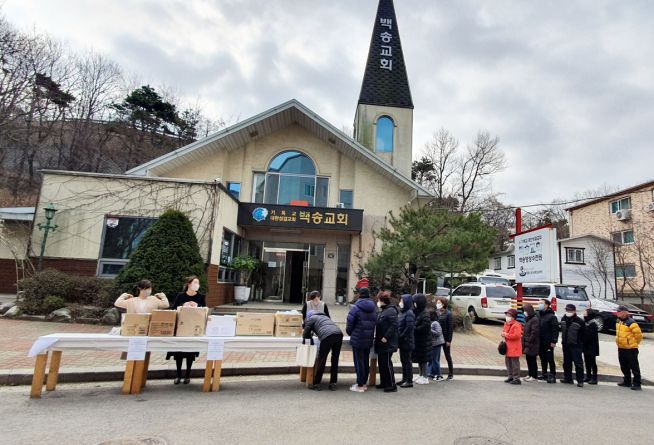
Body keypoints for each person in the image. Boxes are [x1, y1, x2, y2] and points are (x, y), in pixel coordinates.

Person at [165, 276, 205, 385]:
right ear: (189, 284)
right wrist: (183, 305)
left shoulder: (200, 297)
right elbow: (173, 309)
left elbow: (205, 311)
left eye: (198, 283)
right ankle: (178, 375)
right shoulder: (180, 296)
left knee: (190, 353)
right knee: (179, 352)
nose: (197, 285)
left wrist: (198, 305)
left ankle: (187, 374)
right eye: (195, 282)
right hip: (181, 327)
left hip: (193, 328)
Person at [345, 287, 377, 393]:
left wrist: (351, 333)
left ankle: (360, 385)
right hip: (368, 339)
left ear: (360, 294)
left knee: (358, 362)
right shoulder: (373, 308)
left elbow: (350, 324)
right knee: (365, 361)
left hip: (357, 338)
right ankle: (363, 382)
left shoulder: (355, 308)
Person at [303, 309, 343, 391]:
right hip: (338, 334)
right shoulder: (325, 317)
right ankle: (333, 383)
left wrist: (310, 336)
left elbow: (305, 333)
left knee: (322, 360)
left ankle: (317, 383)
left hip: (327, 336)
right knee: (335, 360)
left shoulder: (312, 318)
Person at [374, 291, 399, 393]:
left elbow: (394, 325)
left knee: (387, 363)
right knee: (382, 363)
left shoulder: (391, 311)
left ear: (382, 301)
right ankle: (384, 382)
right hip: (381, 342)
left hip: (388, 342)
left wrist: (386, 336)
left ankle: (392, 385)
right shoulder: (383, 311)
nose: (377, 302)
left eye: (379, 300)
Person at [616, 305, 643, 391]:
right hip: (621, 347)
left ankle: (637, 383)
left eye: (619, 312)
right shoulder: (619, 321)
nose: (618, 313)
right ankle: (627, 381)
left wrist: (633, 344)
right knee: (623, 365)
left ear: (625, 313)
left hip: (631, 348)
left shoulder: (632, 323)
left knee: (634, 366)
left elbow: (639, 336)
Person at [560, 304, 585, 387]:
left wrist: (580, 343)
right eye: (567, 310)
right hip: (565, 344)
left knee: (578, 363)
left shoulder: (579, 321)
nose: (568, 312)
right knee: (566, 362)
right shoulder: (563, 319)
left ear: (574, 311)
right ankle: (568, 378)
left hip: (576, 345)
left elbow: (584, 334)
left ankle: (580, 380)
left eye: (570, 310)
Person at [411, 293, 433, 385]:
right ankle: (420, 374)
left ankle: (425, 376)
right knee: (420, 359)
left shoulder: (425, 313)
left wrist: (415, 329)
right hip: (419, 340)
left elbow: (425, 326)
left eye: (415, 302)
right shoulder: (418, 312)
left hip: (424, 341)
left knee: (423, 360)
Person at [537, 299, 559, 384]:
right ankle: (544, 373)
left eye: (541, 303)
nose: (539, 305)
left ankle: (553, 375)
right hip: (540, 341)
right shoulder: (539, 314)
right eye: (539, 303)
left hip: (548, 341)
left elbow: (555, 330)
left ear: (546, 305)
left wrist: (554, 341)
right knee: (542, 358)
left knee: (550, 358)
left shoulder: (552, 316)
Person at [397, 294, 415, 388]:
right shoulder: (403, 312)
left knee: (407, 361)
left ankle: (409, 380)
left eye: (402, 301)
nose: (400, 303)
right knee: (403, 360)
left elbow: (409, 327)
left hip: (407, 341)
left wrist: (402, 335)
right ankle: (404, 378)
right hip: (402, 341)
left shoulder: (409, 313)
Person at [502, 308, 523, 385]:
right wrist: (503, 334)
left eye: (509, 315)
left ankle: (516, 378)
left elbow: (517, 336)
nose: (507, 316)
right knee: (508, 362)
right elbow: (504, 332)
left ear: (513, 317)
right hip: (508, 347)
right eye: (507, 315)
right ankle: (510, 376)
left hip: (515, 347)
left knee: (515, 364)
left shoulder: (516, 325)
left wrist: (506, 335)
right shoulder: (506, 324)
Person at [436, 297, 455, 380]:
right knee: (436, 356)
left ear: (443, 304)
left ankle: (451, 373)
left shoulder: (448, 314)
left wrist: (449, 340)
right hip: (437, 337)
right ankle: (436, 373)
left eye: (439, 302)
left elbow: (450, 328)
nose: (437, 304)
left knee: (447, 356)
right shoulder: (436, 312)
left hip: (445, 338)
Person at [522, 304, 540, 382]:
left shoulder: (534, 319)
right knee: (528, 359)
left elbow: (534, 332)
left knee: (532, 360)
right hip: (527, 342)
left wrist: (529, 340)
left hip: (533, 343)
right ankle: (530, 374)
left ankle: (534, 375)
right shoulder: (528, 319)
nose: (524, 313)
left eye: (526, 311)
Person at [583, 308, 601, 385]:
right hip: (586, 345)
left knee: (592, 362)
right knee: (587, 361)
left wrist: (582, 340)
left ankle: (594, 378)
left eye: (585, 313)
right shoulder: (586, 322)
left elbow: (589, 335)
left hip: (592, 346)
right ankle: (588, 376)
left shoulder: (593, 324)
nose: (584, 314)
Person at [428, 309, 446, 381]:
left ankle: (439, 375)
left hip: (437, 343)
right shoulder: (432, 323)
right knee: (431, 359)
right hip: (433, 343)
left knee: (435, 360)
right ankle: (431, 373)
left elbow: (438, 333)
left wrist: (430, 329)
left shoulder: (435, 323)